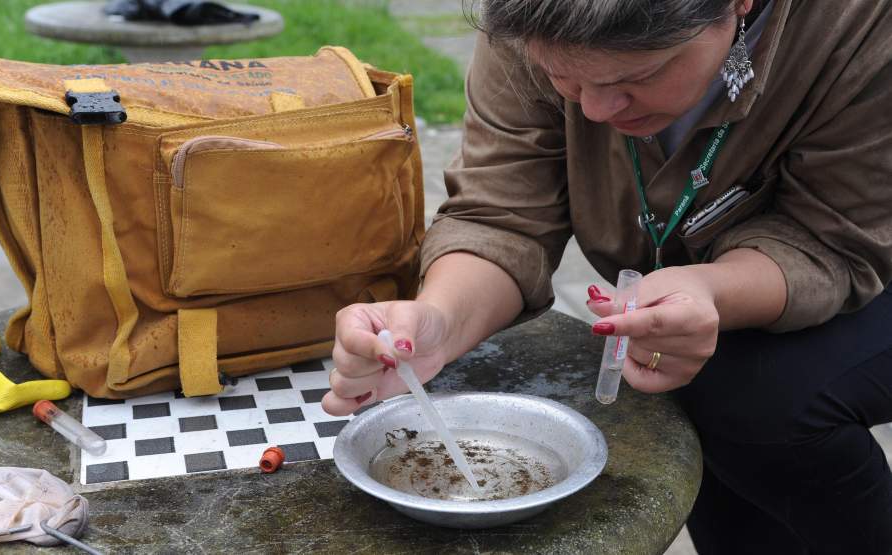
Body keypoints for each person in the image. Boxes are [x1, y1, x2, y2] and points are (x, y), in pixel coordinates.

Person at [322, 0, 892, 552]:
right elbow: (502, 212)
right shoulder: (531, 13)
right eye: (561, 75)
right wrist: (440, 320)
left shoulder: (860, 24)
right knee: (706, 401)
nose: (594, 110)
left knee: (761, 402)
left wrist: (713, 288)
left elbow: (833, 233)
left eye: (639, 73)